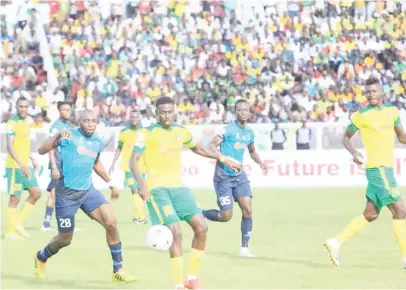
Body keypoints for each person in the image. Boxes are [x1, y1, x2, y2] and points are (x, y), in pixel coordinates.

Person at [130, 97, 241, 290]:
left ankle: (192, 278)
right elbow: (134, 160)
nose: (167, 115)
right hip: (157, 188)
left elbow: (198, 148)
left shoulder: (181, 132)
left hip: (178, 188)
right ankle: (178, 285)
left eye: (170, 111)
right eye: (163, 112)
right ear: (156, 113)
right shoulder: (146, 133)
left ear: (174, 111)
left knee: (201, 227)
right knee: (175, 232)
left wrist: (223, 158)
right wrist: (142, 185)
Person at [34, 110, 137, 283]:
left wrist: (110, 182)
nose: (90, 124)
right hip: (66, 194)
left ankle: (118, 270)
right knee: (65, 239)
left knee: (111, 222)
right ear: (79, 122)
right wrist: (57, 135)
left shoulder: (97, 141)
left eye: (93, 121)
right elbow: (41, 149)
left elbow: (95, 162)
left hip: (88, 191)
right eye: (86, 121)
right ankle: (41, 257)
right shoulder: (68, 135)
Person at [324, 76, 406, 268]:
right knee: (400, 210)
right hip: (378, 169)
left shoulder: (392, 112)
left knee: (371, 214)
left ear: (381, 92)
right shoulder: (361, 115)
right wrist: (354, 152)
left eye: (374, 91)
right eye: (368, 92)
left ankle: (335, 242)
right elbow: (345, 138)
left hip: (386, 169)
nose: (371, 95)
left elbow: (401, 136)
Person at [202, 99, 268, 257]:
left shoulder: (250, 133)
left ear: (250, 112)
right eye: (240, 110)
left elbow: (251, 151)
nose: (243, 112)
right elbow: (210, 146)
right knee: (226, 216)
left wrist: (261, 162)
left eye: (246, 110)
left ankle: (244, 248)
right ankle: (199, 212)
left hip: (240, 177)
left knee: (248, 209)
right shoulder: (227, 130)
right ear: (235, 112)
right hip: (223, 177)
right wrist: (224, 159)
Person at [41, 101, 81, 232]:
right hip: (58, 165)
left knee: (69, 195)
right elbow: (51, 148)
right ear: (59, 111)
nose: (67, 112)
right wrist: (54, 166)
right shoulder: (56, 126)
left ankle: (68, 224)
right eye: (64, 109)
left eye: (69, 109)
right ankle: (46, 223)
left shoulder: (69, 126)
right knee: (54, 194)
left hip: (68, 166)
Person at [5, 96, 41, 239]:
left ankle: (17, 223)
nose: (23, 109)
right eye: (21, 106)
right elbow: (9, 147)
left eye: (26, 107)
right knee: (15, 198)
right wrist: (21, 165)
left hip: (25, 164)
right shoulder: (12, 122)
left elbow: (23, 144)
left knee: (36, 193)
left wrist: (32, 158)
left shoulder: (26, 122)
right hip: (15, 166)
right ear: (16, 107)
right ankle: (10, 232)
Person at [109, 109, 147, 224]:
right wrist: (113, 163)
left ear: (139, 118)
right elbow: (119, 148)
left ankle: (137, 216)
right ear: (129, 118)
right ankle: (140, 218)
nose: (134, 119)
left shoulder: (145, 132)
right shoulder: (124, 132)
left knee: (141, 191)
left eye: (136, 117)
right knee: (134, 190)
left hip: (142, 167)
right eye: (132, 117)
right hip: (128, 167)